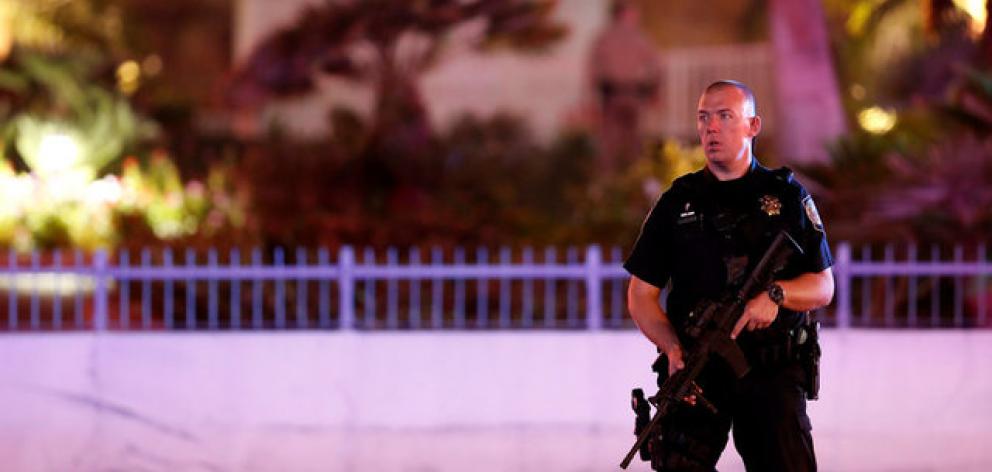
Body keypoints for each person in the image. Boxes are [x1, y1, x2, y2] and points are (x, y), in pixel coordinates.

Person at [623, 80, 835, 471]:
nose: (711, 128)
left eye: (725, 117)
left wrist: (775, 295)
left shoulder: (786, 197)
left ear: (753, 126)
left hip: (771, 372)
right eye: (704, 118)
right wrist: (671, 348)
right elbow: (640, 294)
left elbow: (823, 286)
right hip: (697, 369)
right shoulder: (677, 202)